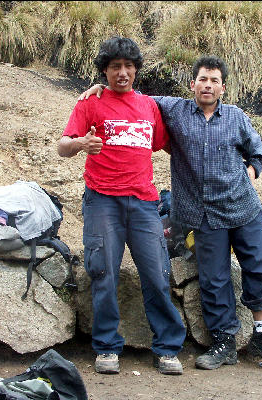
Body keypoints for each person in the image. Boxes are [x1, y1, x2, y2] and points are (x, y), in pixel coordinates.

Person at [80, 55, 262, 372]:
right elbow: (131, 95)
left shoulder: (236, 117)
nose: (208, 85)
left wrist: (245, 178)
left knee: (259, 271)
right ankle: (224, 343)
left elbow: (256, 152)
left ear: (223, 87)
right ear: (192, 84)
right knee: (214, 279)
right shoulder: (174, 110)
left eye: (214, 80)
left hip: (244, 209)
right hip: (202, 214)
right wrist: (101, 87)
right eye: (202, 79)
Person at [58, 36, 186, 376]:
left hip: (144, 204)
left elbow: (164, 143)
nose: (123, 73)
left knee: (157, 274)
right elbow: (62, 146)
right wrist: (81, 143)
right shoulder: (90, 104)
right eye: (115, 67)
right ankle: (106, 347)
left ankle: (168, 348)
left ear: (136, 70)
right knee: (103, 273)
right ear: (105, 71)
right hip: (102, 201)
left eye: (129, 67)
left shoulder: (148, 107)